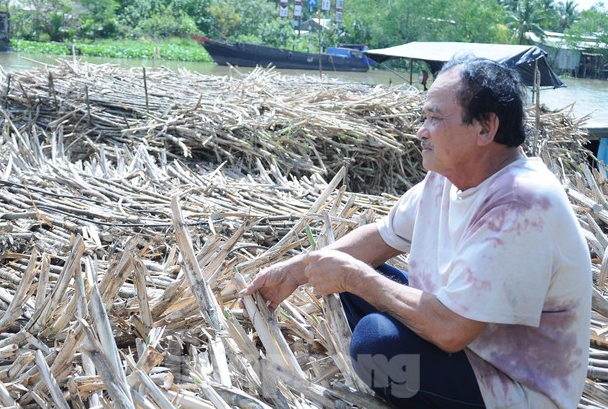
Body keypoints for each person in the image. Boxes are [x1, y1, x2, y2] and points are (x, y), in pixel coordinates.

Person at [241, 55, 592, 409]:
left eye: (435, 118)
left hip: (510, 387)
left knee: (377, 345)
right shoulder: (445, 181)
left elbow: (453, 331)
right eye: (424, 117)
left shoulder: (521, 203)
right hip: (467, 344)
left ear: (485, 127)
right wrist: (295, 271)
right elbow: (381, 237)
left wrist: (354, 277)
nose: (421, 130)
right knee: (349, 273)